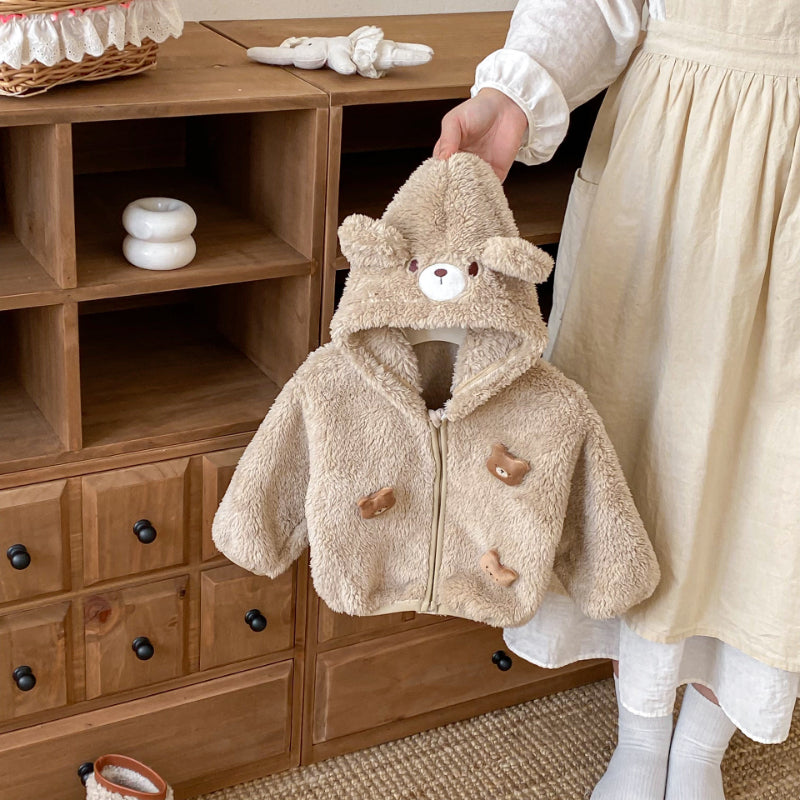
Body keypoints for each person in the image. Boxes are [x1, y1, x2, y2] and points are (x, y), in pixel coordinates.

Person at [434, 2, 800, 799]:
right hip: (669, 171)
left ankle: (701, 748)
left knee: (777, 482)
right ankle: (641, 738)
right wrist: (512, 95)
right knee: (642, 451)